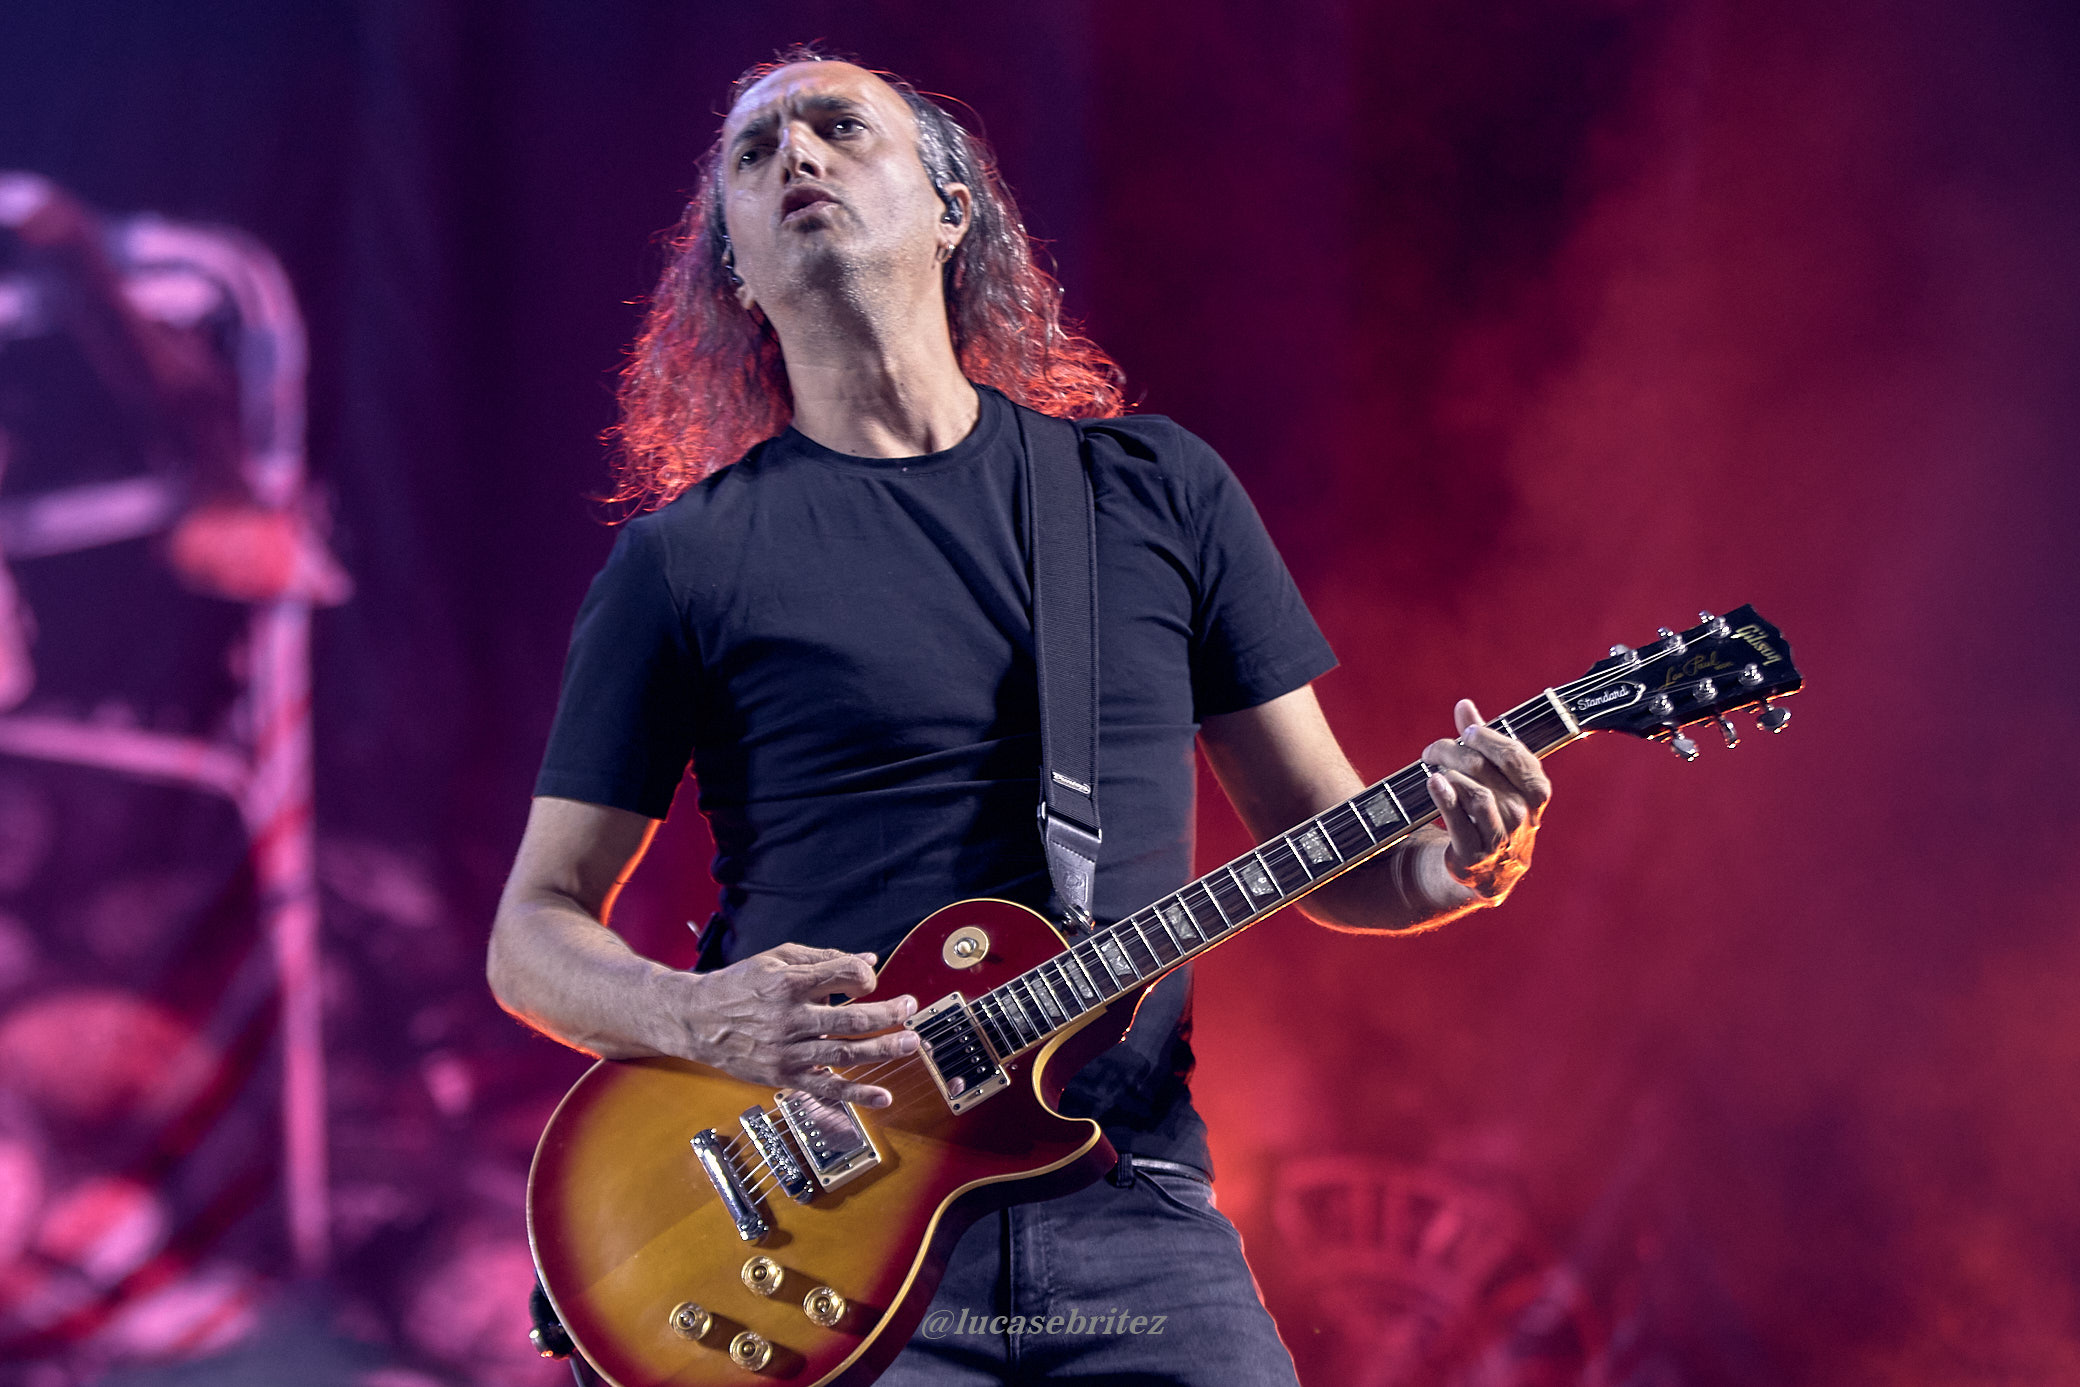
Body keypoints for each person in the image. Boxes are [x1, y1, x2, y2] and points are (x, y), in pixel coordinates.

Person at [486, 48, 1553, 1387]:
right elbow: (532, 934)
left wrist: (1463, 863)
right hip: (816, 1221)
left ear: (953, 211)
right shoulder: (684, 561)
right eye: (753, 154)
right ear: (737, 273)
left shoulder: (1154, 494)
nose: (796, 156)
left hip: (1130, 1202)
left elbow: (1338, 852)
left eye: (840, 127)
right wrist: (703, 1019)